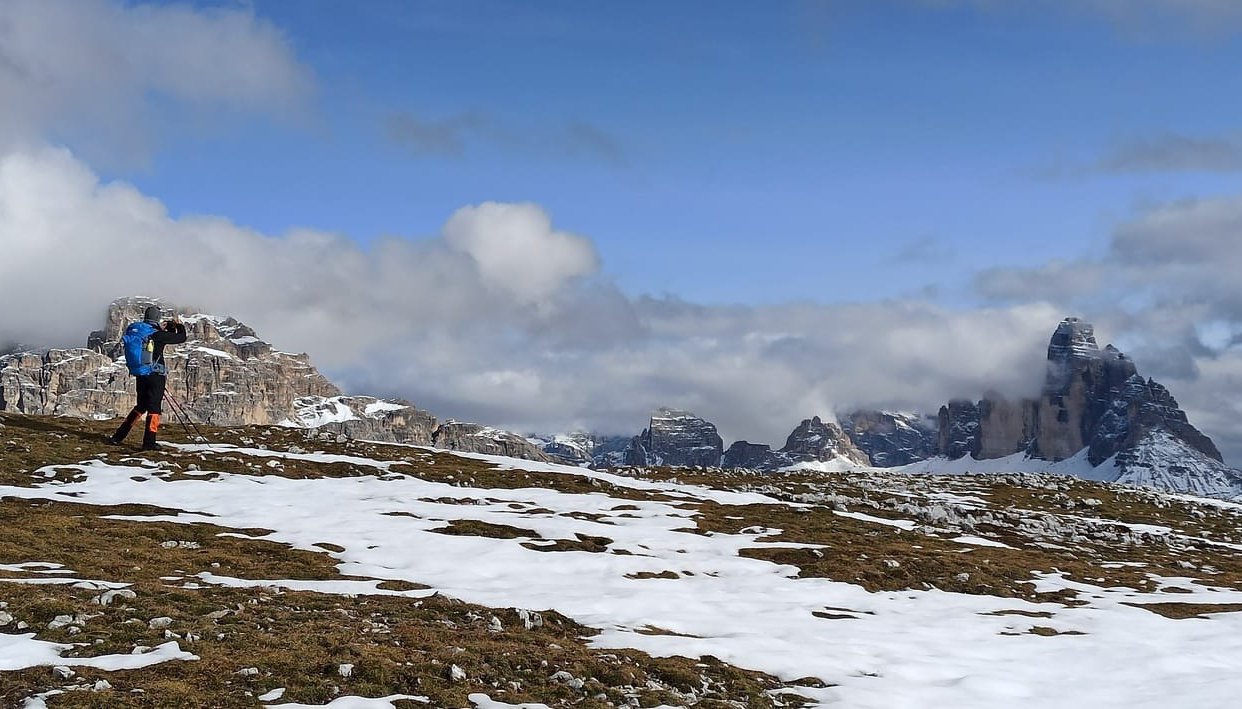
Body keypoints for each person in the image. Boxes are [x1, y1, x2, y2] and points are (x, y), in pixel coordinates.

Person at [109, 305, 187, 450]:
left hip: (140, 373)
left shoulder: (137, 331)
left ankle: (118, 437)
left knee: (141, 406)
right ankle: (149, 443)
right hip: (155, 375)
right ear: (157, 318)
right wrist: (178, 325)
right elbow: (181, 338)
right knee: (154, 408)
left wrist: (163, 329)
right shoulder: (157, 335)